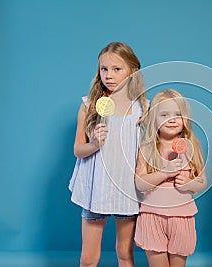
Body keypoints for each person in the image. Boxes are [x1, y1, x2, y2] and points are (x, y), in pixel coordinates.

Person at [69, 42, 147, 267]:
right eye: (104, 69)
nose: (109, 75)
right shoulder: (89, 105)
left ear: (132, 71)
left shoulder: (142, 108)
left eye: (117, 69)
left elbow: (146, 151)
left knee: (124, 252)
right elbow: (78, 150)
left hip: (127, 190)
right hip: (96, 189)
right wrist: (94, 143)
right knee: (89, 257)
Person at [134, 89, 207, 267]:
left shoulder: (191, 147)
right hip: (152, 215)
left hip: (182, 217)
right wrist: (164, 173)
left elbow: (203, 182)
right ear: (154, 119)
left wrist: (190, 183)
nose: (172, 119)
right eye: (164, 114)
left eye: (178, 114)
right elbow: (140, 183)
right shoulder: (146, 148)